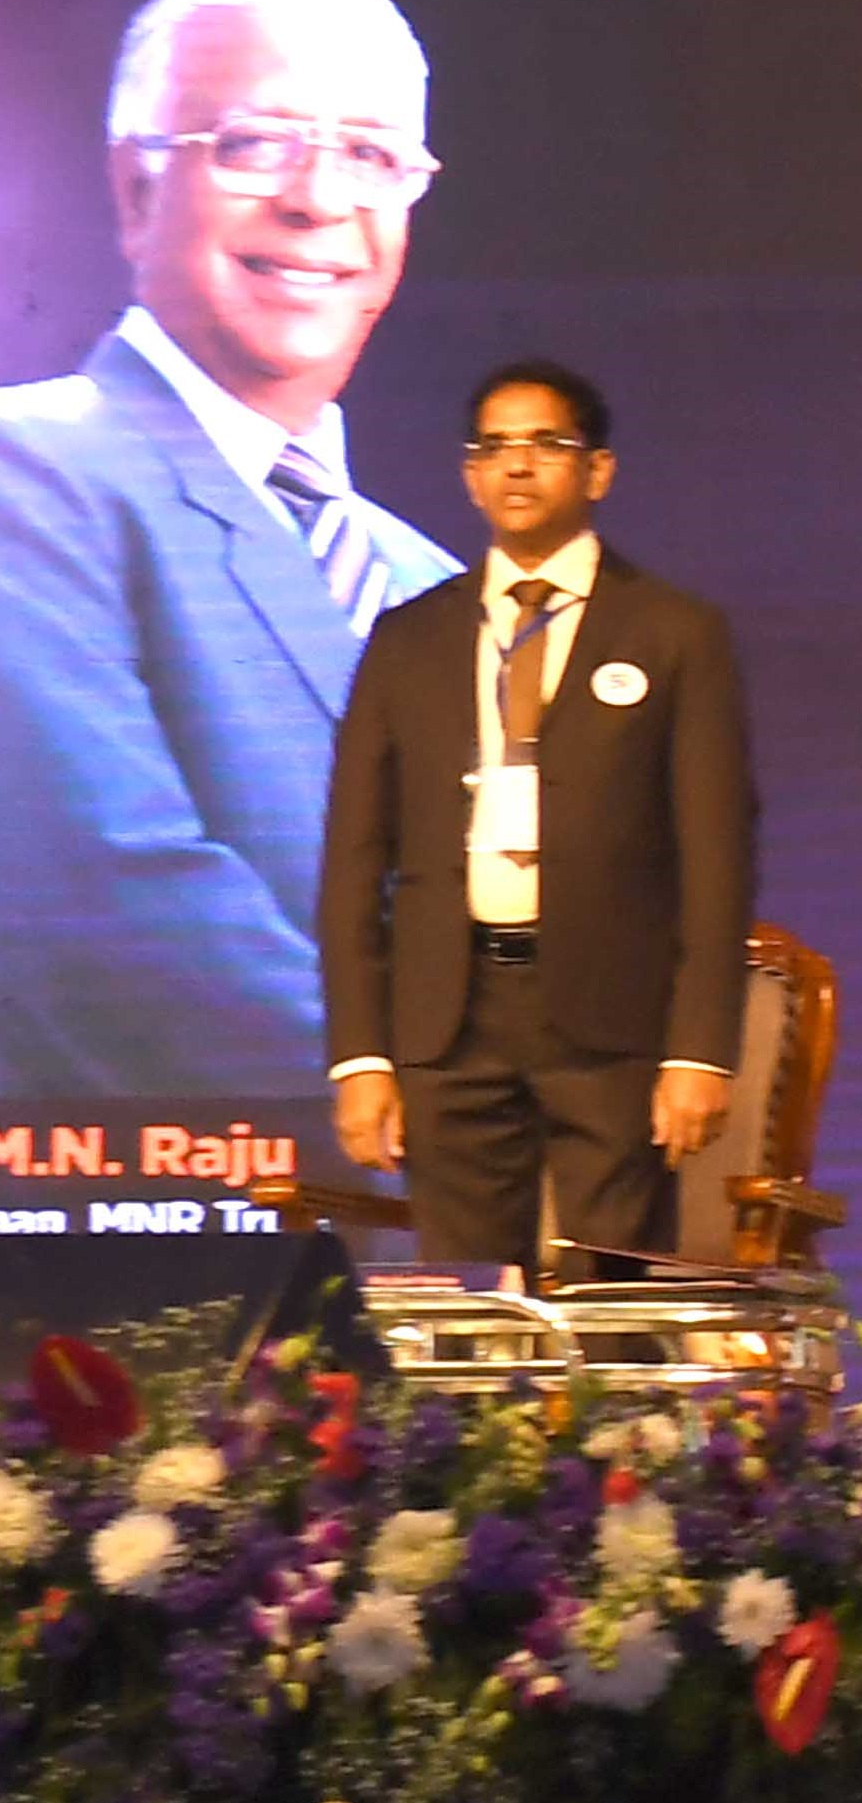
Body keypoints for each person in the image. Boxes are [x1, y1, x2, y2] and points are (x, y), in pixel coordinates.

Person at [0, 0, 469, 1098]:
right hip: (146, 1259)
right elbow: (108, 916)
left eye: (370, 154)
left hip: (443, 1266)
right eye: (258, 142)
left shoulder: (438, 587)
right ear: (135, 190)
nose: (319, 199)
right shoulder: (29, 475)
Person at [313, 362, 751, 1278]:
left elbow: (717, 858)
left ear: (597, 471)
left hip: (611, 1015)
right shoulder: (409, 638)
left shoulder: (673, 631)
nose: (517, 466)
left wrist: (700, 1051)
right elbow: (355, 860)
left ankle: (613, 1426)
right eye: (494, 447)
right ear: (471, 476)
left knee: (607, 1300)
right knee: (466, 1313)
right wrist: (360, 1055)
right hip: (448, 1013)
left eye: (546, 444)